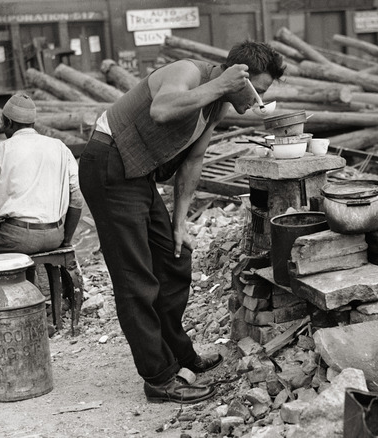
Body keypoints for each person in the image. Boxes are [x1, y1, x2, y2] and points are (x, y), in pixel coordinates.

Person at [79, 41, 285, 403]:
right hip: (108, 163)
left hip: (136, 173)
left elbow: (193, 160)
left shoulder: (217, 104)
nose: (258, 101)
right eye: (258, 91)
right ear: (237, 76)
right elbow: (161, 109)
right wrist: (220, 86)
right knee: (135, 278)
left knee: (175, 259)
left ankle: (178, 354)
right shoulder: (188, 73)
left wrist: (179, 223)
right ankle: (159, 378)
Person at [0, 93, 83, 259]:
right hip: (55, 236)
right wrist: (66, 241)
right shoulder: (60, 147)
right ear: (32, 124)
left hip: (16, 238)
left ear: (8, 123)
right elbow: (77, 197)